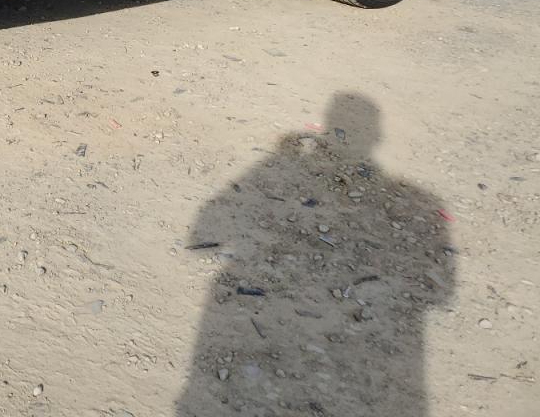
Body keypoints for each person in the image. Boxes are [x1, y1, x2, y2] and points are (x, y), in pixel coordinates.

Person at [178, 93, 455, 416]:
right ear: (378, 135)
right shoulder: (419, 198)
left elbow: (203, 231)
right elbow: (442, 293)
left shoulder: (415, 198)